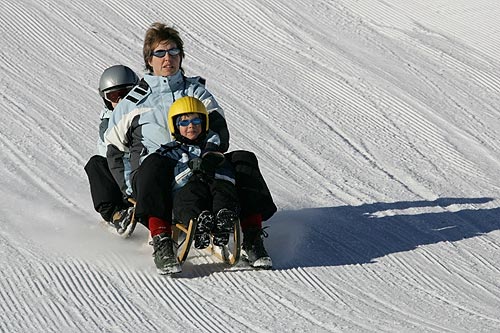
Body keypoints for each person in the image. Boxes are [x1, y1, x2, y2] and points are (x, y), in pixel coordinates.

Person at [105, 22, 275, 274]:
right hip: (157, 170)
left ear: (181, 56)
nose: (168, 59)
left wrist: (210, 153)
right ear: (149, 59)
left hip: (198, 160)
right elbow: (114, 150)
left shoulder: (196, 90)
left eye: (174, 52)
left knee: (243, 159)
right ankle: (162, 239)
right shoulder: (133, 101)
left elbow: (217, 126)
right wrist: (129, 187)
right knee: (153, 163)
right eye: (160, 53)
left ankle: (252, 236)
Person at [158, 96, 239, 254]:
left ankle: (223, 220)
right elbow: (171, 181)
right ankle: (197, 224)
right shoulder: (170, 152)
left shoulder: (213, 148)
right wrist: (189, 168)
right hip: (186, 194)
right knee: (190, 192)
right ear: (175, 125)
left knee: (223, 187)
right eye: (184, 122)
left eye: (196, 121)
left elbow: (230, 175)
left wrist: (214, 167)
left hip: (213, 193)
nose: (191, 126)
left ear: (204, 123)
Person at [84, 65, 138, 235]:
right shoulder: (108, 123)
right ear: (106, 99)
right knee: (96, 164)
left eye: (126, 94)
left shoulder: (147, 112)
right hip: (120, 184)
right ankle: (116, 215)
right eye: (114, 96)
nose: (121, 101)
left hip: (145, 179)